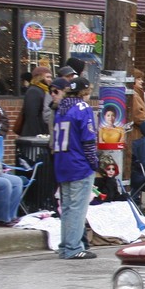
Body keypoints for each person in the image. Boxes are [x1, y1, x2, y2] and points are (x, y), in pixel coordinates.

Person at [52, 77, 98, 260]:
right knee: (78, 208)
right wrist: (94, 162)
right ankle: (73, 247)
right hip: (79, 163)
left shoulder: (61, 109)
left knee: (68, 207)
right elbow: (88, 140)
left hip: (62, 162)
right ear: (84, 92)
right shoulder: (83, 109)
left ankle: (65, 245)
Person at [19, 66, 53, 136]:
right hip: (34, 133)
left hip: (42, 131)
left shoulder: (45, 90)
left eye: (50, 77)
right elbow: (32, 115)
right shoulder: (34, 91)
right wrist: (37, 134)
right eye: (47, 77)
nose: (50, 80)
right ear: (39, 77)